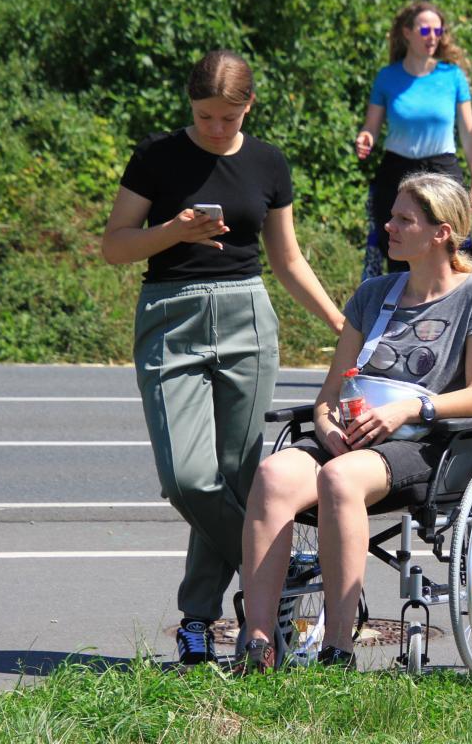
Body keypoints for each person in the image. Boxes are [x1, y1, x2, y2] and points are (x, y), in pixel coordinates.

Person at [101, 49, 345, 667]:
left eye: (228, 118)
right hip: (170, 314)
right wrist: (173, 232)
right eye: (204, 116)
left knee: (239, 477)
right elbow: (115, 246)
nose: (215, 128)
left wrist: (341, 321)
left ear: (249, 106)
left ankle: (197, 619)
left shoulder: (268, 162)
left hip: (246, 316)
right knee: (186, 478)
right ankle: (277, 569)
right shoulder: (156, 156)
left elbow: (287, 258)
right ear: (190, 105)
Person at [238, 172, 472, 672]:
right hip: (353, 436)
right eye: (391, 216)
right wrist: (327, 427)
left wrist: (412, 408)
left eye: (404, 219)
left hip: (426, 442)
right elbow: (328, 395)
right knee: (273, 473)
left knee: (340, 478)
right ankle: (257, 644)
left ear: (441, 233)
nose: (389, 226)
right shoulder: (373, 294)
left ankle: (337, 649)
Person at [355, 0, 472, 280]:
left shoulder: (452, 76)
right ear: (407, 33)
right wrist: (366, 137)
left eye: (438, 31)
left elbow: (469, 132)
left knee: (454, 252)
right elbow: (371, 127)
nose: (433, 37)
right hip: (396, 172)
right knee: (399, 254)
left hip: (442, 171)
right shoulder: (387, 77)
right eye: (425, 30)